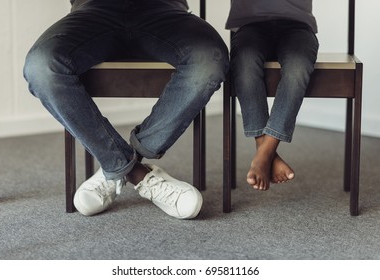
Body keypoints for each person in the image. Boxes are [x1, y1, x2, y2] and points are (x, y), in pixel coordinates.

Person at [24, 0, 228, 219]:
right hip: (94, 11)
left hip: (162, 10)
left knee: (209, 60)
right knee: (41, 67)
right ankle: (137, 174)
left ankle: (118, 165)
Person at [226, 0, 319, 191]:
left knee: (297, 68)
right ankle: (266, 151)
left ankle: (264, 153)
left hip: (297, 25)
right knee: (245, 64)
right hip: (249, 24)